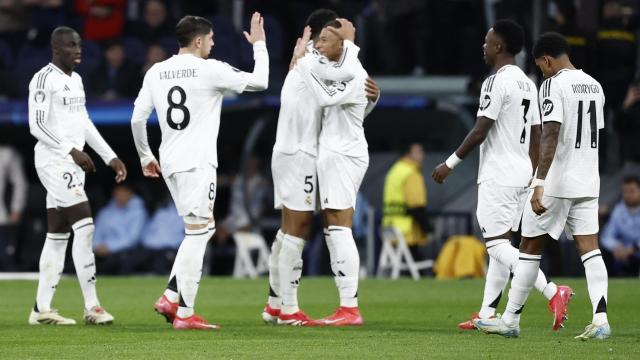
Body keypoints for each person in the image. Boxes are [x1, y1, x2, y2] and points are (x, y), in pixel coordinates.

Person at [131, 13, 268, 330]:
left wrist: (144, 156)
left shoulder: (156, 71)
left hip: (170, 161)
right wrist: (259, 45)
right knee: (198, 232)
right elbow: (260, 81)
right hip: (198, 161)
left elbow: (138, 119)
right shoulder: (210, 69)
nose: (214, 43)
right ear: (198, 40)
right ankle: (178, 304)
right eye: (211, 38)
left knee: (202, 228)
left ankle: (177, 304)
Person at [432, 20, 570, 332]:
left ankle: (552, 291)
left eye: (486, 41)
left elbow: (481, 129)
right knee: (503, 243)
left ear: (498, 46)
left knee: (495, 246)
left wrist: (450, 163)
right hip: (521, 173)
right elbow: (536, 137)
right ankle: (486, 313)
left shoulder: (495, 82)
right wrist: (536, 178)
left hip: (499, 174)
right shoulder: (527, 82)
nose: (483, 47)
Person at [474, 32, 610, 340]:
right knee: (590, 250)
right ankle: (600, 318)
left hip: (557, 182)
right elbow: (598, 134)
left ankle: (509, 320)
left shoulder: (553, 84)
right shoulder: (595, 86)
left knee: (529, 248)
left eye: (541, 66)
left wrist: (539, 181)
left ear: (546, 60)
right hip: (589, 179)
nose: (542, 72)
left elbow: (550, 135)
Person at [261, 9, 379, 326]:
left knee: (292, 229)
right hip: (301, 152)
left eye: (332, 39)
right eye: (324, 38)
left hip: (297, 151)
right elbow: (337, 90)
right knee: (298, 229)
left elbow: (346, 101)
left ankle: (276, 304)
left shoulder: (317, 64)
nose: (326, 45)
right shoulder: (315, 62)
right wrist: (350, 45)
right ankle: (288, 309)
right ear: (316, 37)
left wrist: (371, 99)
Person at [27, 26, 127, 325]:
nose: (78, 49)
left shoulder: (77, 80)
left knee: (57, 235)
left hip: (71, 164)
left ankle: (40, 309)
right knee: (85, 227)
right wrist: (71, 150)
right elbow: (37, 125)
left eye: (79, 44)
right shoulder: (43, 79)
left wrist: (109, 156)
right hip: (53, 162)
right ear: (56, 49)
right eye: (71, 45)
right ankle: (92, 307)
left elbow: (84, 121)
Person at [295, 18, 373, 326]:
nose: (318, 45)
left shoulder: (353, 70)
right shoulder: (339, 70)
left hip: (343, 154)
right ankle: (345, 305)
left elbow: (326, 96)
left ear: (342, 45)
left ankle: (350, 308)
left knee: (340, 227)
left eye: (326, 40)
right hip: (335, 153)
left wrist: (302, 65)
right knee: (333, 228)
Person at [382, 143, 430, 261]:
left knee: (405, 263)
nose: (422, 155)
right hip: (406, 228)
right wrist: (428, 228)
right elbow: (416, 205)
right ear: (408, 154)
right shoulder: (411, 172)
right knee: (415, 264)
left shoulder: (395, 170)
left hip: (389, 225)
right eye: (418, 152)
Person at [93, 183, 147, 274]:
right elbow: (96, 233)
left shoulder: (139, 212)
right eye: (116, 193)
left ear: (130, 193)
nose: (119, 196)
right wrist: (96, 246)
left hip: (126, 251)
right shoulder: (105, 212)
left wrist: (109, 247)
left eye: (122, 193)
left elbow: (133, 239)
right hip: (100, 251)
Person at [601, 176, 640, 276]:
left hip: (636, 250)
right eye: (625, 191)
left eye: (632, 191)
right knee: (604, 253)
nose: (628, 195)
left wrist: (634, 248)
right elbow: (607, 236)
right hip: (622, 253)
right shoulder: (619, 209)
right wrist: (616, 246)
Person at [0, 144, 27, 270]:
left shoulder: (7, 153)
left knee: (6, 261)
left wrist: (16, 209)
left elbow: (19, 183)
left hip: (3, 219)